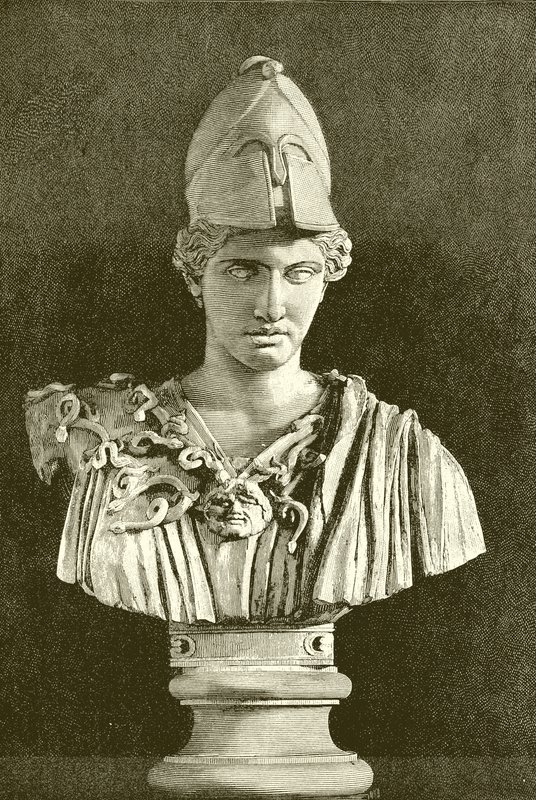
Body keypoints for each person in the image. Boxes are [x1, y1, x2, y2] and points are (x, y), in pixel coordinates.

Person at [25, 56, 485, 626]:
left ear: (327, 279)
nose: (271, 305)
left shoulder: (403, 458)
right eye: (243, 270)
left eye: (298, 273)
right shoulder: (94, 429)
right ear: (195, 275)